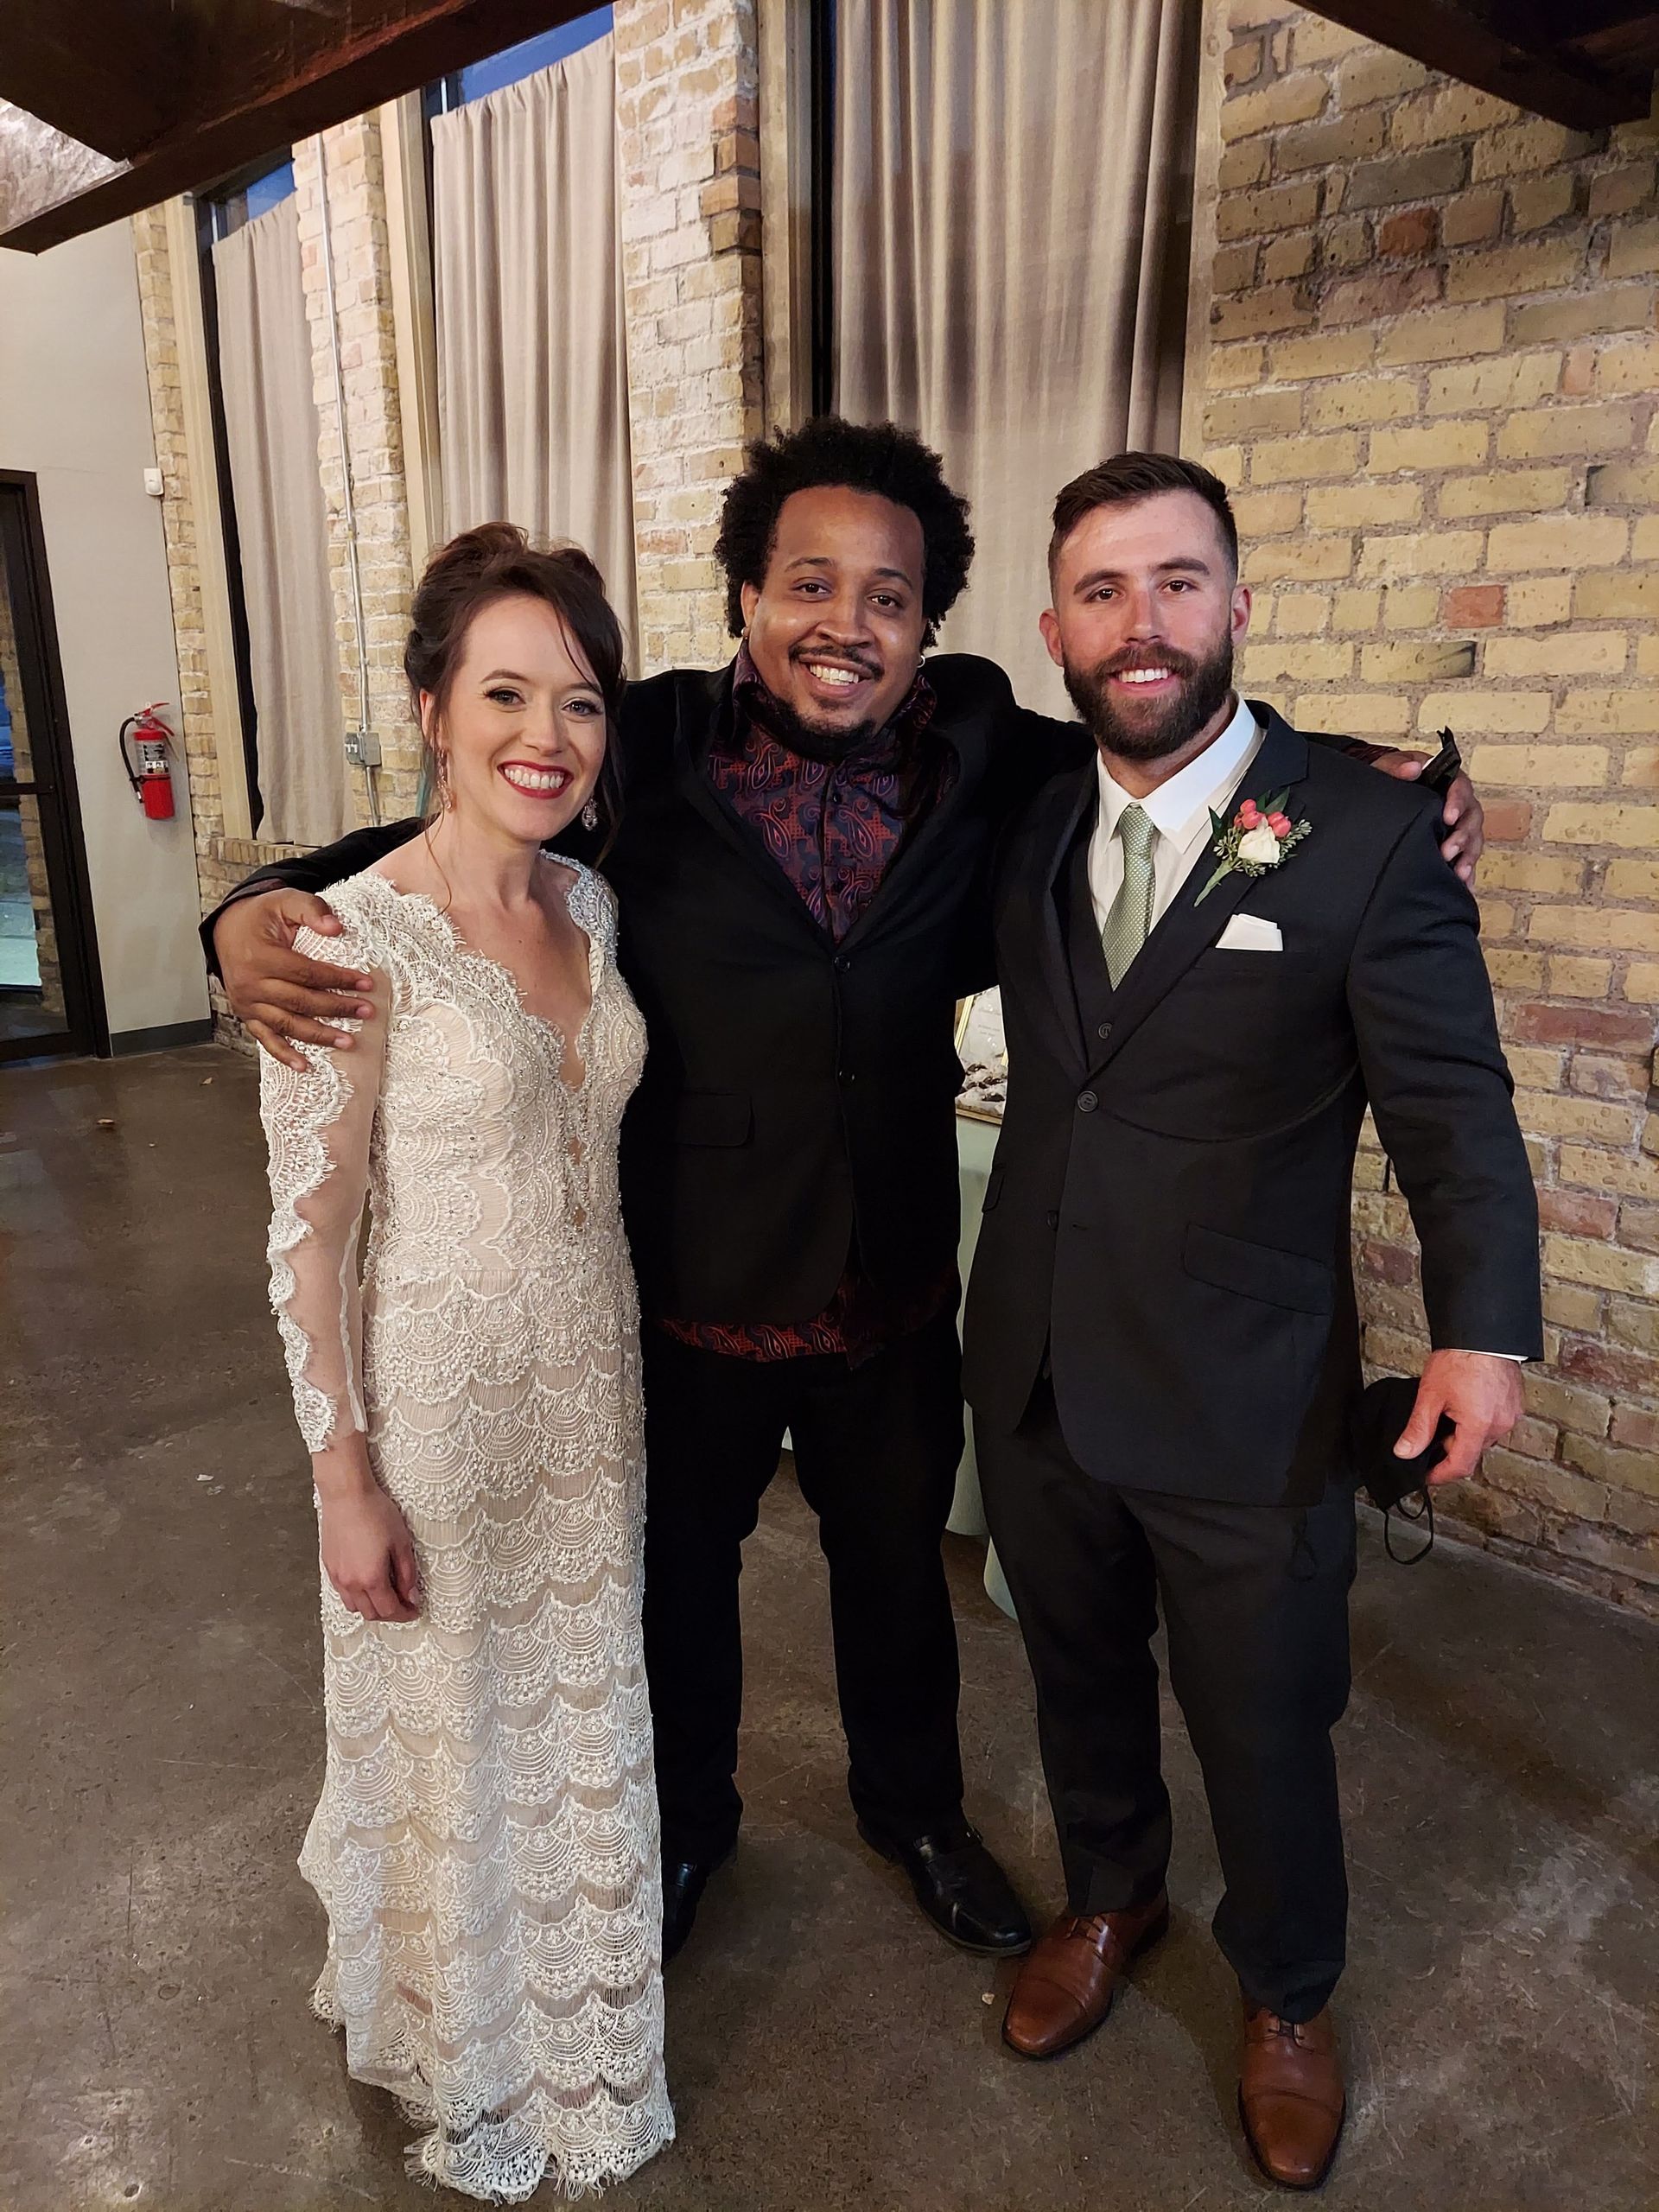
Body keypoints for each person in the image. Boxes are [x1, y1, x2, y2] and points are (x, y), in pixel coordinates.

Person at [209, 419, 1485, 1972]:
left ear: (931, 624)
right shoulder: (647, 743)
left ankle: (919, 1816)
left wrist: (1382, 775)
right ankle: (689, 1825)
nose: (846, 623)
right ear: (746, 593)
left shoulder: (990, 755)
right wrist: (242, 912)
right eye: (808, 582)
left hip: (895, 1278)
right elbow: (453, 823)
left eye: (887, 595)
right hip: (687, 1279)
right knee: (682, 1585)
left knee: (897, 1580)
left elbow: (1175, 736)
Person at [964, 454, 1539, 2191]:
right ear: (1055, 624)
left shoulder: (1362, 824)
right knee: (1074, 1673)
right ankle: (1113, 1891)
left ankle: (1287, 1989)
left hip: (1247, 1391)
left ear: (1235, 598)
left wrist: (1480, 1330)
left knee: (1266, 1713)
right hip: (1042, 1361)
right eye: (1105, 590)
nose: (1146, 622)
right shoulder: (1031, 812)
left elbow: (1455, 1102)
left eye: (1181, 580)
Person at [256, 524, 672, 2202]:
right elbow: (309, 1230)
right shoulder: (351, 938)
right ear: (433, 706)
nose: (546, 735)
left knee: (574, 1712)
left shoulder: (590, 896)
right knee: (455, 1727)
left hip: (594, 1391)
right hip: (435, 1408)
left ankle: (585, 2030)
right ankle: (469, 2041)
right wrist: (342, 1476)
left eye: (578, 700)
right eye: (505, 691)